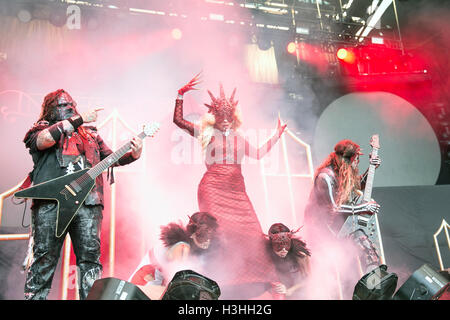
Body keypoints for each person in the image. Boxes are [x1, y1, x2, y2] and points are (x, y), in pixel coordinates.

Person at [173, 73, 287, 299]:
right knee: (220, 235)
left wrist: (276, 135)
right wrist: (180, 95)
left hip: (237, 190)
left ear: (233, 117)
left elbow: (258, 154)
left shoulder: (239, 138)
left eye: (228, 115)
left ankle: (263, 283)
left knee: (253, 232)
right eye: (220, 115)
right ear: (214, 116)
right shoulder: (206, 133)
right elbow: (178, 121)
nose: (225, 119)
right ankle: (217, 282)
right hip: (213, 188)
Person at [22, 89, 143, 300]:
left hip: (88, 203)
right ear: (50, 110)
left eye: (72, 104)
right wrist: (77, 120)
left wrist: (134, 153)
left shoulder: (91, 134)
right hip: (51, 203)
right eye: (62, 105)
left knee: (90, 261)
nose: (69, 107)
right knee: (44, 260)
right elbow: (43, 141)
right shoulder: (40, 129)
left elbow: (111, 158)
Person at [304, 139, 381, 272]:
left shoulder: (344, 172)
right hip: (320, 228)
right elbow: (334, 208)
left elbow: (359, 185)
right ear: (346, 159)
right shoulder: (325, 177)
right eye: (355, 159)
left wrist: (372, 168)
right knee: (326, 267)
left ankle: (374, 279)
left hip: (338, 225)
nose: (356, 163)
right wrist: (363, 207)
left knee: (366, 245)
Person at [128, 212, 220, 299]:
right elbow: (178, 282)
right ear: (194, 233)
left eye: (211, 233)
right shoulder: (181, 247)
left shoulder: (184, 246)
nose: (208, 239)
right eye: (206, 232)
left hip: (150, 284)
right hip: (144, 284)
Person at [265, 223, 311, 300]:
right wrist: (275, 287)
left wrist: (290, 290)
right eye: (279, 245)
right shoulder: (265, 255)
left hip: (301, 294)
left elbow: (309, 279)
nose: (283, 250)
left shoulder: (300, 255)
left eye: (286, 244)